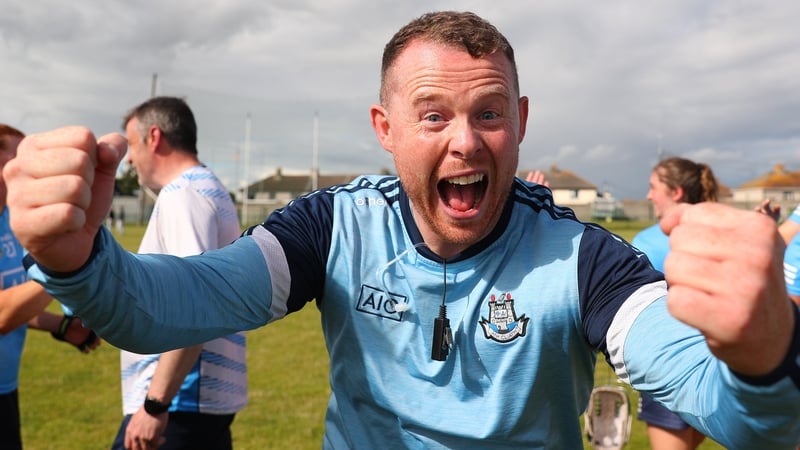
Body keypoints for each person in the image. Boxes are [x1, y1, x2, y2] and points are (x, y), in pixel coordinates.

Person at [4, 11, 800, 449]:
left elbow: (722, 406)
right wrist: (83, 261)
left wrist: (766, 359)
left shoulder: (583, 256)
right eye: (433, 115)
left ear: (520, 123)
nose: (465, 140)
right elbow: (178, 303)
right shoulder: (336, 225)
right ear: (385, 128)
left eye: (490, 112)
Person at [106, 97, 247, 450]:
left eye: (132, 145)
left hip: (179, 402)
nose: (130, 158)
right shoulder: (206, 188)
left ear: (154, 137)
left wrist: (155, 404)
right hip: (191, 401)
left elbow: (194, 305)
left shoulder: (183, 194)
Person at [0, 124, 100, 450]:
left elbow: (12, 302)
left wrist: (61, 326)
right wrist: (63, 269)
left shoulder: (10, 221)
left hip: (5, 388)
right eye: (18, 158)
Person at [632, 157, 717, 450]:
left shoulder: (650, 242)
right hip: (716, 365)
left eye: (653, 187)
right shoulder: (717, 233)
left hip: (667, 364)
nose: (648, 195)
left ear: (676, 192)